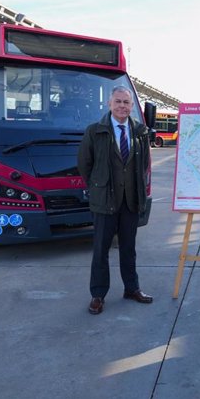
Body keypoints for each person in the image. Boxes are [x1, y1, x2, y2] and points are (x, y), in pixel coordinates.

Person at [77, 86, 153, 315]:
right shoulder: (95, 131)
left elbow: (145, 164)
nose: (122, 106)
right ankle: (98, 295)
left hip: (130, 202)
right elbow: (84, 164)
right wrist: (97, 187)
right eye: (118, 101)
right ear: (109, 104)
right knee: (101, 249)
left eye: (126, 103)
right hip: (104, 201)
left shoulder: (140, 132)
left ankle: (132, 288)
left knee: (128, 249)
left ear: (131, 107)